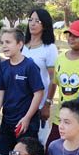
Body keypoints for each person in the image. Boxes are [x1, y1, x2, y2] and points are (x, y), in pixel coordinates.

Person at [0, 28, 45, 155]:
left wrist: (27, 118)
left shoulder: (30, 66)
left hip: (25, 122)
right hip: (7, 120)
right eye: (2, 42)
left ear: (20, 44)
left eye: (8, 42)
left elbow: (39, 93)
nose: (4, 46)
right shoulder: (3, 67)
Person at [48, 20, 79, 149]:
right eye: (69, 35)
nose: (71, 38)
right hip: (60, 118)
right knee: (52, 151)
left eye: (76, 36)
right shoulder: (60, 58)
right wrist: (48, 102)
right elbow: (55, 82)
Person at [22, 8, 59, 138]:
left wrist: (47, 104)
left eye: (37, 21)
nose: (32, 23)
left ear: (45, 25)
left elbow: (53, 78)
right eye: (30, 20)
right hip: (20, 102)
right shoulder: (21, 45)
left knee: (36, 141)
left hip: (39, 104)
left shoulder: (49, 48)